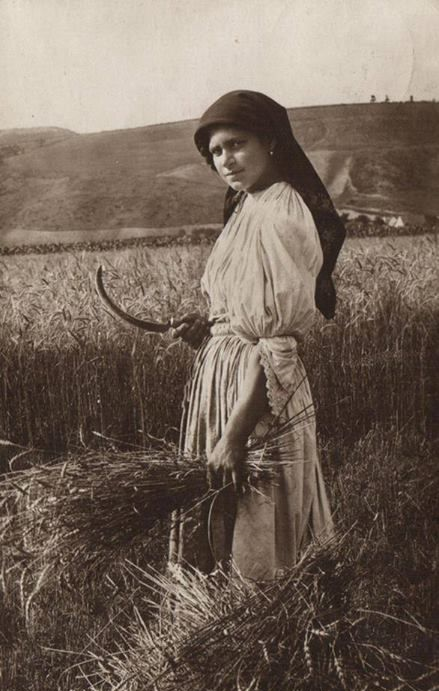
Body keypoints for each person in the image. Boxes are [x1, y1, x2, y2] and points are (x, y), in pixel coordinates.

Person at [168, 90, 345, 580]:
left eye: (236, 144)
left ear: (270, 142)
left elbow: (276, 342)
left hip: (258, 399)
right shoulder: (248, 208)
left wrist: (235, 434)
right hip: (229, 383)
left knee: (257, 527)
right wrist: (207, 331)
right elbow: (245, 318)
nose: (226, 159)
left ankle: (265, 643)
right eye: (216, 151)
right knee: (225, 521)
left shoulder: (282, 212)